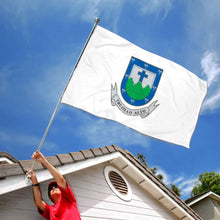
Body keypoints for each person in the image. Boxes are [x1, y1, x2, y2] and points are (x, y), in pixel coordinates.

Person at [26, 151, 81, 220]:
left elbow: (60, 180)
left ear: (62, 192)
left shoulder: (68, 199)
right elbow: (38, 203)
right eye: (50, 189)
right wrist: (34, 182)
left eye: (56, 186)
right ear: (49, 197)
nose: (53, 187)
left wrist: (43, 161)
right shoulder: (50, 210)